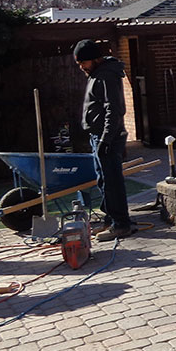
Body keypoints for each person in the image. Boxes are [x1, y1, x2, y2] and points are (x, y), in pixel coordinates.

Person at [73, 39, 132, 241]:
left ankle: (121, 225)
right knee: (103, 180)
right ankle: (110, 220)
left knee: (112, 182)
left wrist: (106, 140)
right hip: (97, 136)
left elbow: (113, 109)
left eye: (84, 62)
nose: (81, 67)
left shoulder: (107, 75)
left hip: (109, 137)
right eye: (79, 63)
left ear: (95, 59)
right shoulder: (97, 73)